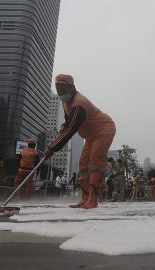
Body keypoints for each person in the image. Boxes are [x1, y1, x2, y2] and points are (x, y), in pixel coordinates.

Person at [45, 74, 116, 210]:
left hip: (104, 129)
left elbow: (71, 129)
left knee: (96, 162)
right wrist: (60, 133)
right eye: (58, 88)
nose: (60, 92)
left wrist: (52, 148)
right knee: (83, 164)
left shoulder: (79, 104)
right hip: (90, 136)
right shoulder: (65, 102)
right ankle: (85, 199)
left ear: (72, 87)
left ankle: (93, 200)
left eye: (63, 88)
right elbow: (67, 123)